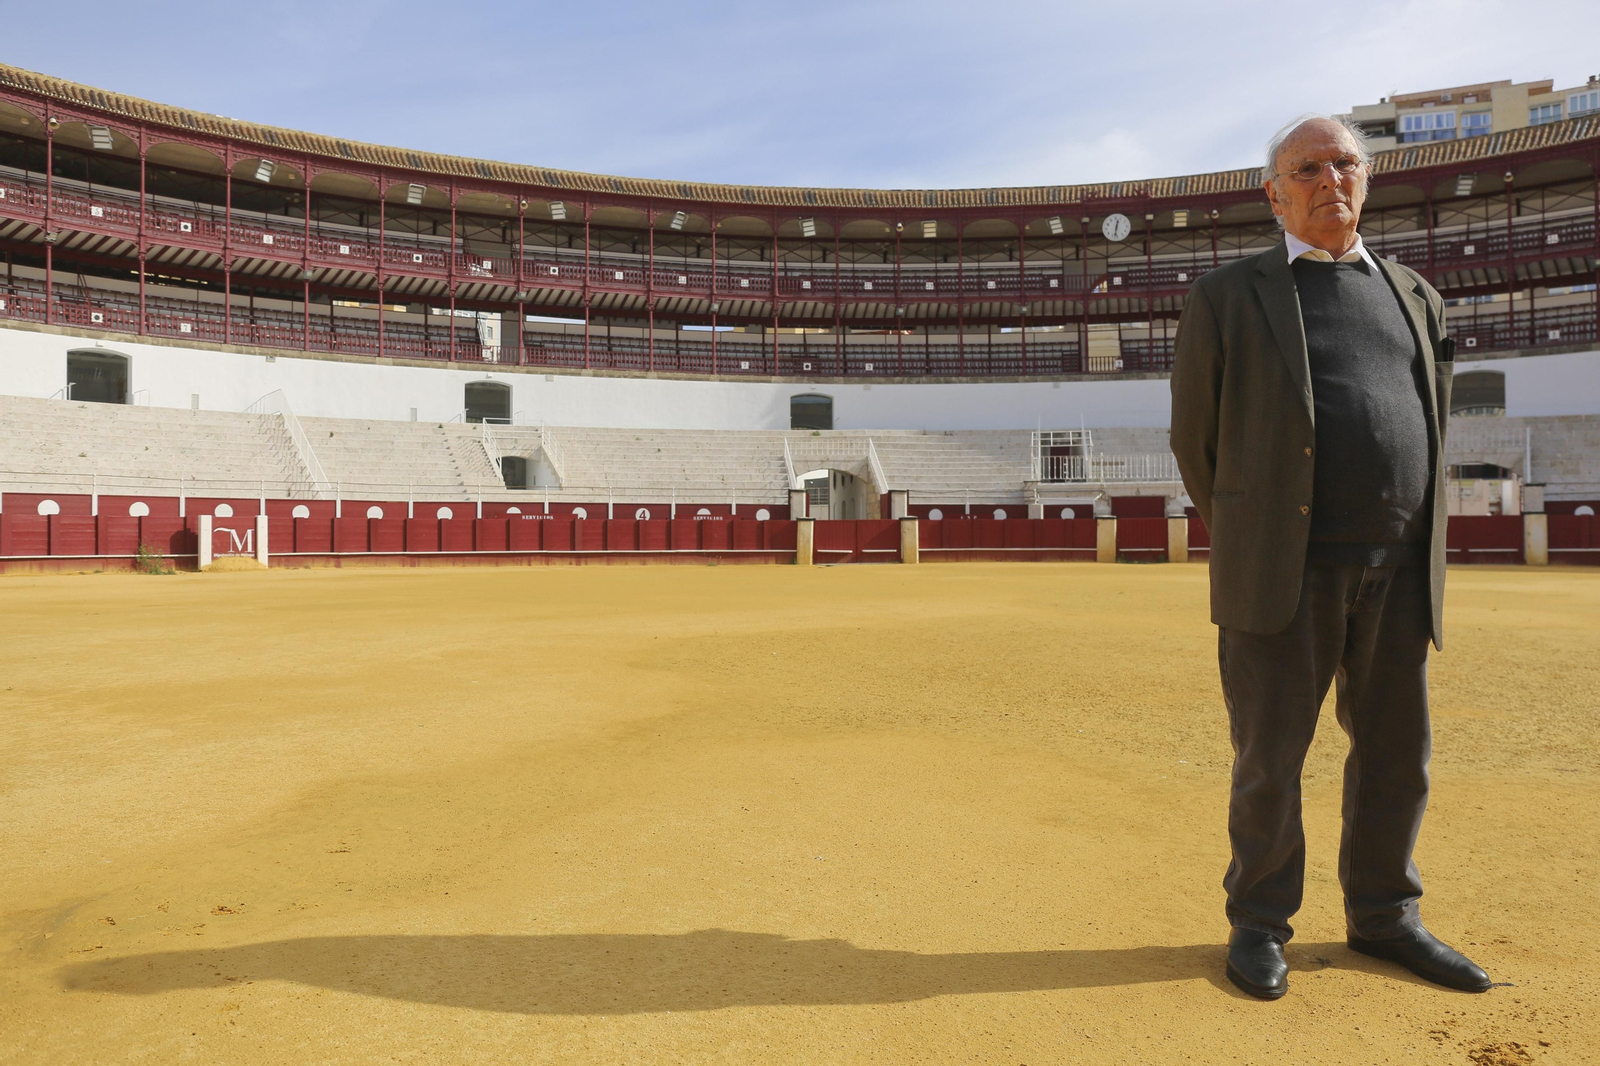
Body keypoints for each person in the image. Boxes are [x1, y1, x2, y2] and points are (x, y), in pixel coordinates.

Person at [1169, 115, 1491, 1000]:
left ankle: (1385, 918)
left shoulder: (1414, 295)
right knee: (1271, 755)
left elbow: (1430, 420)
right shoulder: (1229, 297)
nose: (1328, 179)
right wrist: (1259, 529)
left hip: (1399, 565)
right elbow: (1196, 444)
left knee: (1397, 754)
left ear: (1367, 177)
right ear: (1274, 194)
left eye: (1344, 162)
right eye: (1306, 168)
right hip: (1284, 569)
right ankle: (1260, 924)